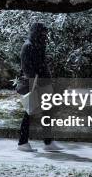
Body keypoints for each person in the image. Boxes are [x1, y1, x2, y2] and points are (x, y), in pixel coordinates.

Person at [16, 23, 63, 152]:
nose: (45, 35)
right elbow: (26, 68)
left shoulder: (38, 45)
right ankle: (23, 142)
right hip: (34, 84)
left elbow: (42, 64)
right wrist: (34, 82)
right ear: (37, 32)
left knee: (46, 112)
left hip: (43, 83)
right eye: (42, 33)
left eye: (45, 33)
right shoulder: (29, 46)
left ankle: (48, 142)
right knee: (29, 113)